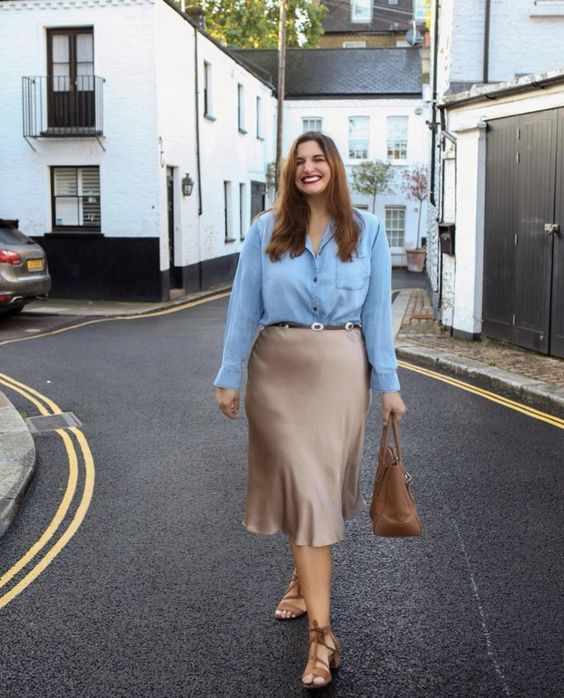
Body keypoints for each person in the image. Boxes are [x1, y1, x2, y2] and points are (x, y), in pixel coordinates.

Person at [214, 131, 406, 689]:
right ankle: (323, 638)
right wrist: (229, 376)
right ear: (289, 172)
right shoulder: (265, 230)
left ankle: (302, 581)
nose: (308, 168)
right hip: (278, 371)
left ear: (334, 167)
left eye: (318, 159)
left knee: (317, 491)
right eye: (298, 161)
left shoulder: (367, 231)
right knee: (304, 488)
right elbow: (242, 307)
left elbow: (376, 316)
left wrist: (388, 385)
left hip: (342, 372)